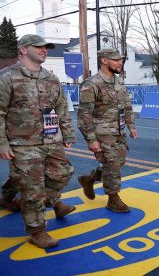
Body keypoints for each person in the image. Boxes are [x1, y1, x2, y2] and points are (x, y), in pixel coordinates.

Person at [0, 34, 77, 248]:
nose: (44, 50)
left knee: (63, 172)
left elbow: (61, 107)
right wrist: (2, 144)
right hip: (22, 143)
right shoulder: (7, 77)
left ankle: (37, 199)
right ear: (23, 49)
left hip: (51, 139)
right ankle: (37, 230)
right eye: (39, 47)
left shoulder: (51, 78)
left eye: (46, 47)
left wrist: (68, 134)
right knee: (32, 187)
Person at [77, 48, 138, 213]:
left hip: (119, 130)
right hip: (101, 132)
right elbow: (84, 115)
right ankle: (113, 198)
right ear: (104, 61)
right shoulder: (92, 84)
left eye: (121, 60)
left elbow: (127, 106)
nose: (120, 63)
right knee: (113, 164)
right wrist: (91, 139)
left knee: (119, 162)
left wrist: (131, 125)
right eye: (116, 60)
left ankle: (89, 179)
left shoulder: (119, 82)